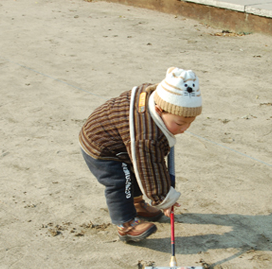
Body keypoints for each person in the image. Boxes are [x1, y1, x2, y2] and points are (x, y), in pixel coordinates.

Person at [79, 67, 203, 242]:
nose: (184, 129)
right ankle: (126, 224)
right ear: (159, 110)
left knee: (133, 169)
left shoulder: (154, 97)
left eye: (190, 123)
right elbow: (150, 168)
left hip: (123, 141)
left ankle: (137, 204)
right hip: (102, 148)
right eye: (180, 123)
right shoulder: (147, 136)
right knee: (121, 181)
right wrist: (164, 199)